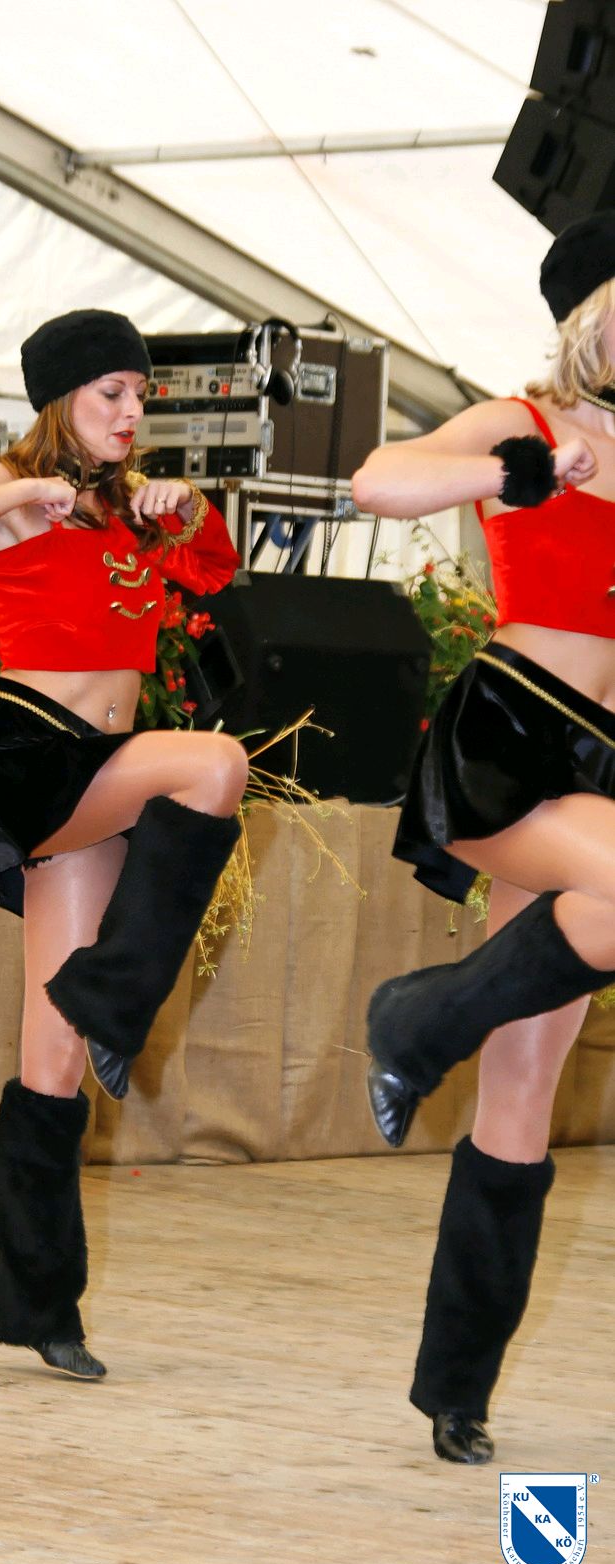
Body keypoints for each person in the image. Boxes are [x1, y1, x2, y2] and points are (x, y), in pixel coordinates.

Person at [0, 309, 247, 1379]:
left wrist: (188, 509)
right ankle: (116, 997)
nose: (132, 411)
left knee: (52, 1059)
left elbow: (214, 574)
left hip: (97, 768)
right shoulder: (12, 493)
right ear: (62, 398)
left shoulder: (126, 507)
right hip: (30, 754)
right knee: (215, 766)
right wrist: (25, 492)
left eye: (140, 395)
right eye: (111, 394)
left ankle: (39, 1307)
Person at [351, 211, 615, 1462]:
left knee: (522, 1084)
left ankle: (455, 1389)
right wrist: (512, 472)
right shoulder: (526, 421)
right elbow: (377, 480)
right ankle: (414, 1020)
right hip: (511, 739)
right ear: (590, 314)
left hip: (601, 766)